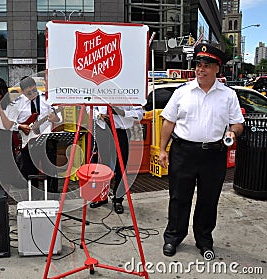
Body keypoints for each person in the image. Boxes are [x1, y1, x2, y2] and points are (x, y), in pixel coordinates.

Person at [159, 43, 244, 260]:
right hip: (183, 152)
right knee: (178, 198)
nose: (201, 69)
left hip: (213, 155)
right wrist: (162, 150)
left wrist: (233, 133)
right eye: (198, 64)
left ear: (218, 68)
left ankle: (204, 240)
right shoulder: (182, 92)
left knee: (209, 200)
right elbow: (168, 122)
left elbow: (237, 124)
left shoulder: (228, 95)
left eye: (207, 65)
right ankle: (173, 238)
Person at [9, 76, 62, 193]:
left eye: (34, 90)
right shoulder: (17, 103)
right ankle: (34, 197)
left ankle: (52, 197)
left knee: (51, 170)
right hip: (29, 141)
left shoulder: (46, 99)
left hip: (47, 139)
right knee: (29, 171)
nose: (32, 94)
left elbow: (60, 119)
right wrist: (20, 126)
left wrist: (56, 118)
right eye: (28, 93)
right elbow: (9, 122)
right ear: (22, 92)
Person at [89, 105, 143, 214]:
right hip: (103, 130)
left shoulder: (130, 93)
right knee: (103, 166)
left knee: (121, 165)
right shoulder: (99, 91)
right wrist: (99, 116)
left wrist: (123, 113)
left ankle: (118, 199)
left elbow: (140, 113)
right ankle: (102, 196)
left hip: (121, 131)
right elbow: (89, 108)